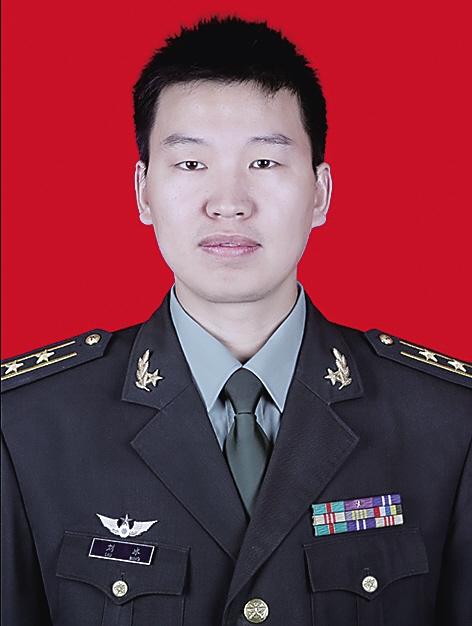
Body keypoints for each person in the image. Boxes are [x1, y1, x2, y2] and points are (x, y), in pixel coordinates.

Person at [1, 15, 471, 626]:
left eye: (266, 162)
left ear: (320, 192)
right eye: (191, 164)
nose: (229, 203)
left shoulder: (446, 421)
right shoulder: (29, 425)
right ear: (143, 191)